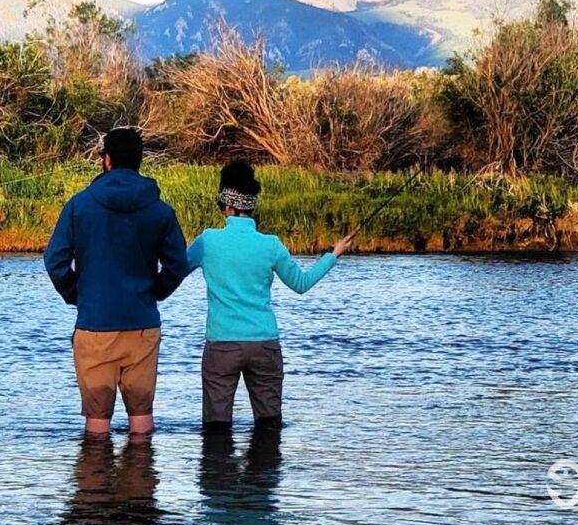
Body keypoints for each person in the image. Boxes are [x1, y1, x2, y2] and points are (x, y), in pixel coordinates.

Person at [185, 161, 356, 430]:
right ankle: (266, 471)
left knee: (216, 429)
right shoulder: (270, 244)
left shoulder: (207, 241)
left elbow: (176, 270)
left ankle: (217, 472)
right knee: (269, 426)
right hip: (264, 343)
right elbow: (301, 283)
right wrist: (333, 255)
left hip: (222, 345)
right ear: (252, 205)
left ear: (227, 207)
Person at [44, 127, 188, 436]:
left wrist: (77, 294)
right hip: (142, 324)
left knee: (97, 426)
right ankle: (140, 480)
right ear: (139, 161)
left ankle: (95, 483)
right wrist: (155, 292)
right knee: (142, 422)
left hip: (94, 325)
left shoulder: (78, 205)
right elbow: (178, 264)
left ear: (106, 161)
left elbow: (54, 261)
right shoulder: (161, 210)